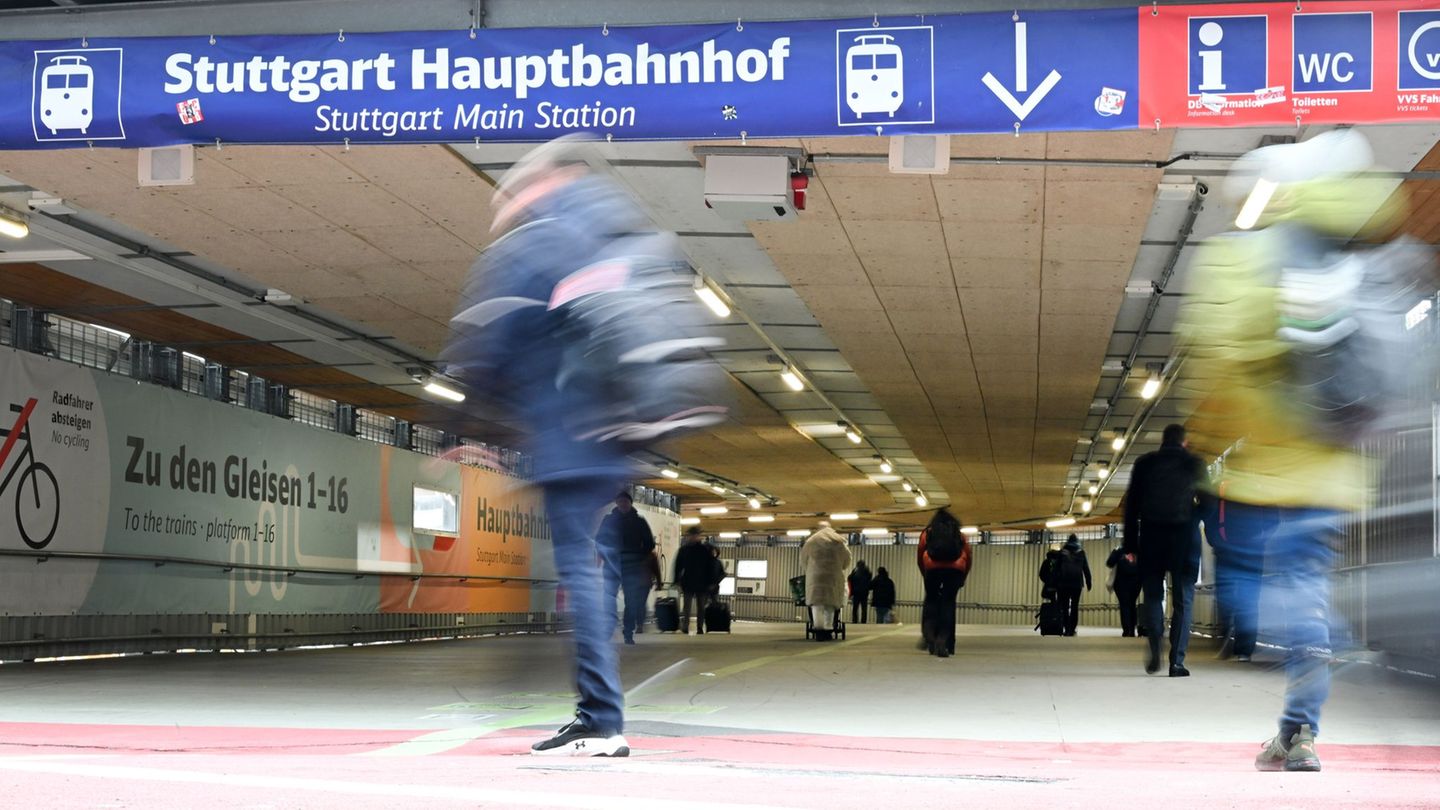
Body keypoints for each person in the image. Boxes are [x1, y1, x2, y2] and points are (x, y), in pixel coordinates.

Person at [1177, 130, 1407, 772]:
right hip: (1337, 472)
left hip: (1261, 474)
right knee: (1303, 583)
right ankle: (1298, 731)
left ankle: (1324, 635)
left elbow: (1216, 366)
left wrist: (1214, 444)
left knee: (1250, 589)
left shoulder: (1241, 259)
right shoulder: (1360, 254)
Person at [442, 138, 645, 757]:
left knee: (579, 574)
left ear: (545, 183)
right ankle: (601, 711)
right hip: (616, 435)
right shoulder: (618, 237)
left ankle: (600, 717)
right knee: (593, 566)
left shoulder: (537, 244)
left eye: (515, 192)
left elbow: (493, 339)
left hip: (567, 434)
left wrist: (469, 429)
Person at [1123, 424, 1204, 676]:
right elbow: (1209, 503)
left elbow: (1131, 506)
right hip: (1185, 540)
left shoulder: (1145, 464)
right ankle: (1176, 662)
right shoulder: (1195, 464)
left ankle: (1155, 643)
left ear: (1162, 440)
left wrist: (1130, 545)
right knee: (1183, 601)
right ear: (1184, 442)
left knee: (1153, 597)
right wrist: (1192, 518)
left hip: (1151, 538)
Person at [597, 491, 656, 646]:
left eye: (625, 502)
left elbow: (649, 543)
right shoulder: (608, 520)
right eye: (620, 502)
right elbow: (599, 540)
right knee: (609, 598)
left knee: (631, 601)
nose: (622, 504)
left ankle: (628, 632)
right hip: (613, 564)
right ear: (617, 503)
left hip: (631, 566)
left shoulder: (639, 521)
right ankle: (609, 628)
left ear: (630, 503)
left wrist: (638, 556)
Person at [917, 508, 972, 657]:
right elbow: (968, 555)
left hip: (932, 568)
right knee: (948, 603)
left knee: (931, 601)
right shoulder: (959, 534)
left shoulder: (928, 532)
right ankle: (945, 642)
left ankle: (930, 638)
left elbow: (920, 554)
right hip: (955, 570)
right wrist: (963, 577)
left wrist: (925, 575)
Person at [800, 521, 852, 640]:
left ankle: (818, 629)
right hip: (833, 578)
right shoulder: (839, 542)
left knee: (817, 605)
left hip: (815, 578)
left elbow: (803, 560)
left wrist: (809, 570)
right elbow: (847, 560)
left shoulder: (811, 542)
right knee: (830, 605)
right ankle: (828, 629)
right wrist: (840, 566)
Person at [673, 527, 715, 634]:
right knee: (688, 606)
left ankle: (699, 627)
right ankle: (686, 626)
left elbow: (710, 567)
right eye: (692, 535)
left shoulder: (703, 550)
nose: (693, 537)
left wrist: (711, 582)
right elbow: (678, 566)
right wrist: (676, 579)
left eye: (695, 535)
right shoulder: (685, 550)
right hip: (690, 582)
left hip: (700, 582)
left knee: (700, 606)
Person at [1053, 535, 1091, 637]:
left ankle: (1066, 629)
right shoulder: (1081, 552)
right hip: (1077, 584)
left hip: (1063, 584)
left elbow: (1056, 569)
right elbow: (1086, 569)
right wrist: (1089, 582)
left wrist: (1054, 583)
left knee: (1064, 607)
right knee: (1074, 607)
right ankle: (1072, 629)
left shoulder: (1062, 552)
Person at [1105, 544, 1142, 638]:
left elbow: (1109, 563)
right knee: (1132, 604)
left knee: (1124, 605)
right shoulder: (1139, 550)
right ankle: (1132, 630)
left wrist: (1117, 553)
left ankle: (1126, 630)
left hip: (1121, 583)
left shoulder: (1118, 550)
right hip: (1136, 582)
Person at [847, 560, 873, 624]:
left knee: (855, 608)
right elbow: (870, 578)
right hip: (864, 593)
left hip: (856, 593)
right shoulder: (867, 572)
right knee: (864, 608)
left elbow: (849, 578)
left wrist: (853, 571)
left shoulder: (855, 572)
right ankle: (863, 621)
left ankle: (854, 620)